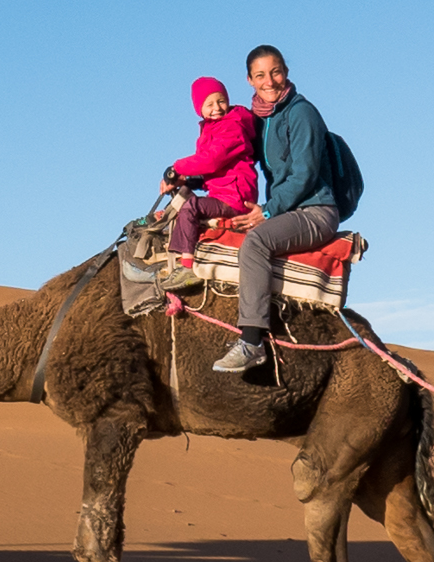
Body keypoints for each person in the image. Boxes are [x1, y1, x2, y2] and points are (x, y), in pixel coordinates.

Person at [212, 46, 361, 372]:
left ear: (286, 73)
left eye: (276, 72)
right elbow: (227, 156)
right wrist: (184, 178)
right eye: (261, 75)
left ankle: (251, 341)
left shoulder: (301, 112)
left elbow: (304, 173)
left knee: (256, 243)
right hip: (286, 211)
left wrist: (267, 211)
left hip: (315, 211)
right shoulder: (260, 120)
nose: (270, 81)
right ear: (249, 80)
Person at [152, 76, 257, 292]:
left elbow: (211, 161)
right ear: (199, 109)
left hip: (234, 197)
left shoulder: (232, 127)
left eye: (220, 101)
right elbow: (213, 172)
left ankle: (187, 265)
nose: (217, 108)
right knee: (184, 199)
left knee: (191, 207)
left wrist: (176, 168)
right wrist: (184, 180)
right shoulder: (211, 131)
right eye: (209, 104)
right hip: (223, 192)